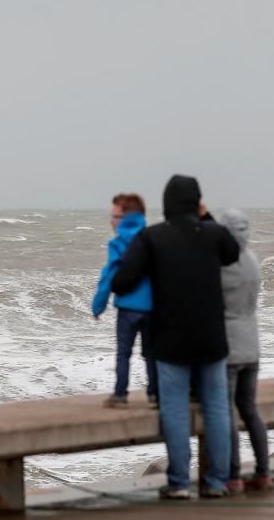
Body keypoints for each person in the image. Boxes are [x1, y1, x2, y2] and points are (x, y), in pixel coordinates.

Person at [112, 175, 240, 499]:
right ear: (197, 203)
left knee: (174, 410)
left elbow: (123, 281)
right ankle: (216, 482)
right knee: (216, 409)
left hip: (169, 340)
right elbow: (232, 253)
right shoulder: (213, 234)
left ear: (166, 204)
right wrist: (205, 216)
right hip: (212, 338)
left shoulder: (153, 238)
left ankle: (180, 483)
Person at [215, 208, 272, 494]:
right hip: (252, 344)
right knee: (250, 409)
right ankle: (264, 471)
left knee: (226, 413)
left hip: (228, 347)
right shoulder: (252, 259)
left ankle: (233, 475)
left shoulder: (219, 264)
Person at [92, 193, 158, 408]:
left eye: (115, 216)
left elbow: (108, 277)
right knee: (151, 354)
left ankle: (120, 395)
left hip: (128, 308)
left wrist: (98, 305)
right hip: (152, 308)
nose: (111, 221)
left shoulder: (118, 244)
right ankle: (154, 394)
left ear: (127, 218)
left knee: (124, 353)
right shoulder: (153, 239)